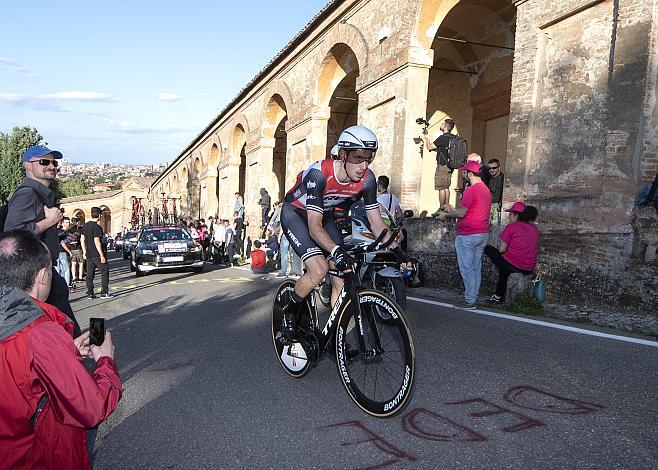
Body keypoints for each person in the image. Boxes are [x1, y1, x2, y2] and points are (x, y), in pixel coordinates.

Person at [0, 230, 122, 469]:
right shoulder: (40, 332)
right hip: (34, 457)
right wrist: (105, 361)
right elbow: (90, 407)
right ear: (43, 275)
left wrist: (68, 352)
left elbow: (20, 375)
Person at [278, 125, 409, 342]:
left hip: (324, 215)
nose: (363, 166)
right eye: (358, 158)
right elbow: (313, 226)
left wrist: (398, 252)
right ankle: (289, 313)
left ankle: (337, 337)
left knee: (343, 276)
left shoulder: (367, 180)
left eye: (369, 158)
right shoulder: (318, 174)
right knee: (319, 269)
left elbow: (376, 223)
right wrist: (337, 250)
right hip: (297, 215)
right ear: (343, 155)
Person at [4, 145, 80, 336]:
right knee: (67, 334)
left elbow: (33, 233)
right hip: (36, 277)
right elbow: (13, 235)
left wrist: (59, 236)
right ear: (27, 166)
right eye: (44, 162)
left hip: (41, 273)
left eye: (54, 162)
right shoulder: (27, 193)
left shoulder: (38, 194)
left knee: (62, 332)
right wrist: (49, 221)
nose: (52, 166)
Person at [435, 160, 491, 309]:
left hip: (468, 234)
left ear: (470, 173)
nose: (462, 174)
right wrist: (452, 209)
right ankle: (473, 297)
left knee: (466, 268)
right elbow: (469, 211)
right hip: (482, 233)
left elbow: (462, 213)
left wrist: (445, 215)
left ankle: (469, 300)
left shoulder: (471, 190)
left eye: (464, 172)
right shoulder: (485, 189)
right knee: (475, 267)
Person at [485, 202, 540, 304]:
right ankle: (498, 296)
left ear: (517, 215)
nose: (509, 216)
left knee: (488, 248)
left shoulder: (511, 227)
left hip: (514, 265)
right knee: (505, 266)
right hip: (529, 268)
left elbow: (501, 250)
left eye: (510, 214)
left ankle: (498, 296)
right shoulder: (535, 229)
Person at [422, 118, 455, 216]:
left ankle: (441, 208)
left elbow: (429, 147)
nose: (441, 125)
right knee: (446, 187)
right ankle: (447, 207)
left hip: (442, 165)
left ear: (445, 126)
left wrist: (427, 138)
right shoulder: (453, 138)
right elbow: (443, 150)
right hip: (450, 165)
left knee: (441, 187)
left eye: (442, 124)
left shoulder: (442, 138)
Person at [80, 207, 112, 300]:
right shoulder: (97, 227)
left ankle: (90, 293)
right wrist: (102, 255)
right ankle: (104, 292)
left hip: (88, 253)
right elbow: (97, 241)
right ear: (99, 215)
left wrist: (84, 251)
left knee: (89, 274)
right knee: (104, 270)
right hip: (96, 254)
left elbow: (82, 239)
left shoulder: (85, 226)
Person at [56, 217, 73, 290]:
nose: (68, 224)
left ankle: (59, 285)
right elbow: (63, 243)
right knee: (66, 269)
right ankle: (66, 284)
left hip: (55, 252)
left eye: (68, 222)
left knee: (58, 269)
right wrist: (69, 252)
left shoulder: (53, 232)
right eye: (66, 222)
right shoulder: (61, 231)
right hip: (61, 252)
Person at [68, 217, 84, 285]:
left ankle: (74, 277)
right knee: (81, 263)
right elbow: (82, 239)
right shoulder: (80, 229)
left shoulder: (69, 229)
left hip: (72, 248)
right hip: (79, 248)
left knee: (73, 264)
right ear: (77, 222)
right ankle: (80, 277)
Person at [488, 158, 505, 225]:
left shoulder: (501, 178)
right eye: (490, 168)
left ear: (499, 168)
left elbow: (497, 197)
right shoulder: (491, 177)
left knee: (494, 227)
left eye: (494, 168)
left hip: (496, 208)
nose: (491, 170)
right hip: (491, 206)